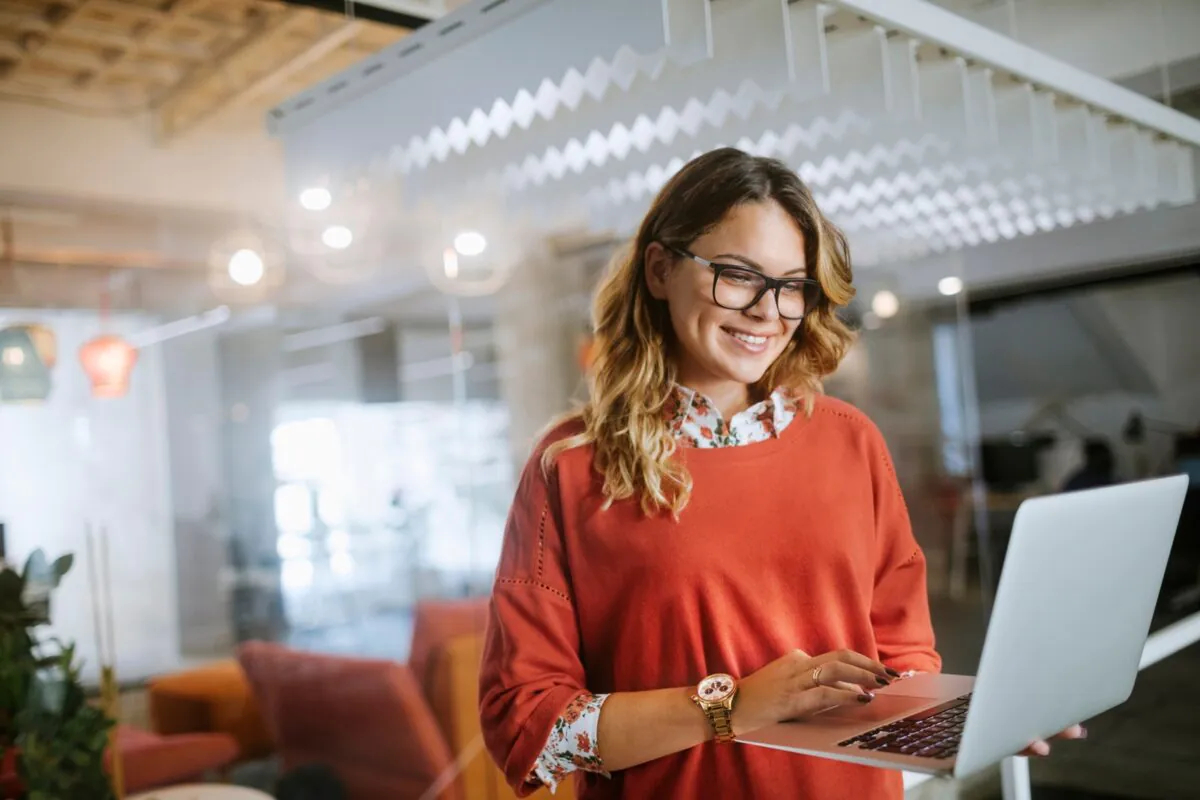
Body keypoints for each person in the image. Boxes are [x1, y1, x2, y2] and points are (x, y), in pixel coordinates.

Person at [479, 147, 1081, 799]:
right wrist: (732, 707)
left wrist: (962, 720)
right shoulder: (571, 467)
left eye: (792, 284)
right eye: (739, 275)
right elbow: (528, 724)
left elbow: (900, 661)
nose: (770, 311)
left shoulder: (852, 441)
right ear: (659, 269)